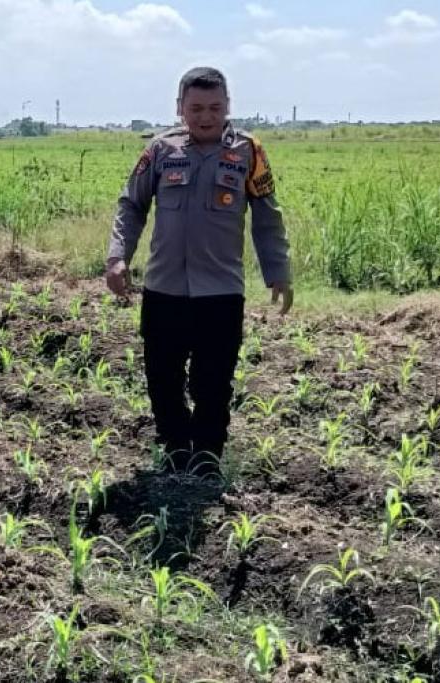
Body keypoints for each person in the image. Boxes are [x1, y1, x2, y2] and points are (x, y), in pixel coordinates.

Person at [105, 66, 292, 475]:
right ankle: (175, 449)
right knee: (163, 376)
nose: (205, 116)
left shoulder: (249, 151)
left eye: (215, 107)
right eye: (196, 108)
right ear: (179, 108)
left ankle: (207, 458)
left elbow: (266, 215)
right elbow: (131, 205)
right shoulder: (159, 150)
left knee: (213, 379)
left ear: (228, 106)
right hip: (164, 288)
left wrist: (278, 270)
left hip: (221, 291)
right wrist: (118, 257)